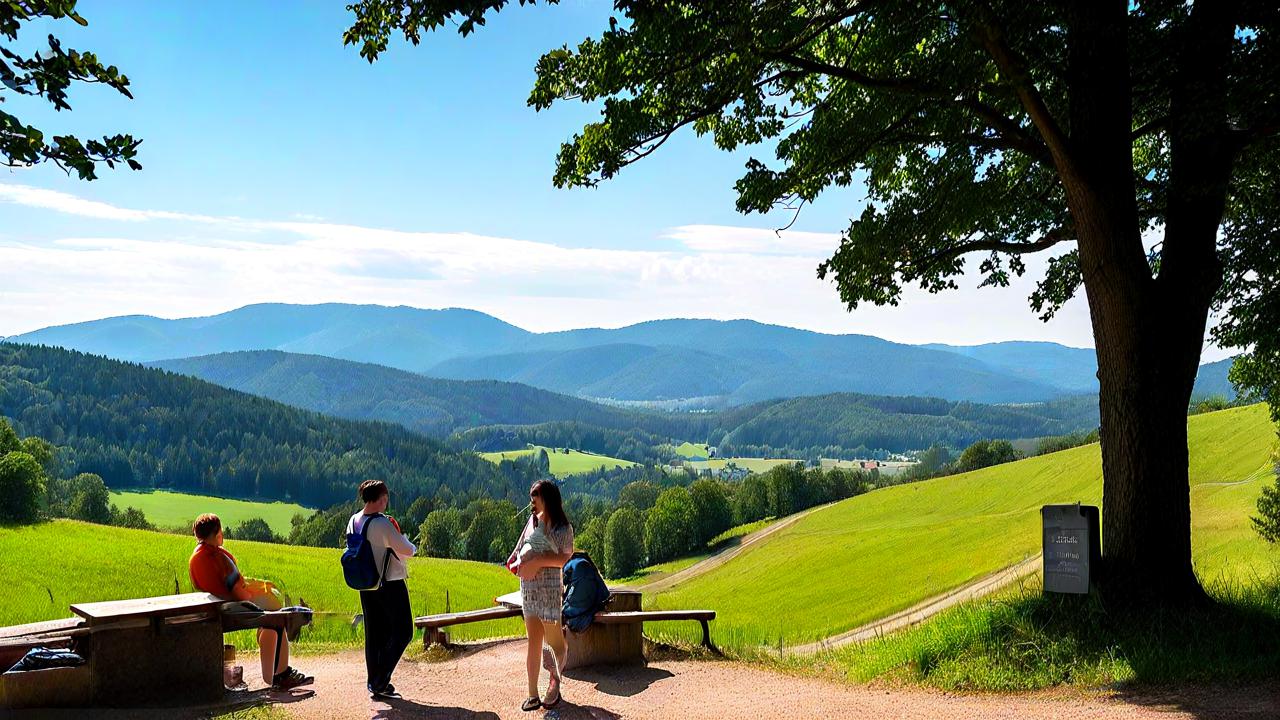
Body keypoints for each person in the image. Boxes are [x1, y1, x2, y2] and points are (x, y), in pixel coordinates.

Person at [188, 513, 313, 690]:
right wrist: (259, 590)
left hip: (215, 607)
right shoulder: (220, 558)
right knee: (277, 617)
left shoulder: (196, 558)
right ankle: (281, 674)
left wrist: (254, 584)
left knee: (272, 615)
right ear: (217, 534)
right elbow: (241, 594)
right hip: (233, 608)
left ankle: (278, 672)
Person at [506, 479, 574, 712]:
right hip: (530, 591)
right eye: (531, 497)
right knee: (533, 643)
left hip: (550, 590)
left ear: (548, 499)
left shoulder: (563, 528)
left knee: (555, 642)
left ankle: (553, 683)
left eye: (535, 497)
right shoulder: (532, 523)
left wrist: (537, 561)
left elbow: (564, 558)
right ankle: (533, 694)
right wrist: (518, 562)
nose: (531, 502)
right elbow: (521, 550)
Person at [347, 479, 416, 700]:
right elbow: (407, 550)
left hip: (366, 584)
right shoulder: (381, 523)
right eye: (386, 498)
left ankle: (375, 681)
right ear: (382, 498)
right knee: (403, 631)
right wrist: (404, 537)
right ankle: (380, 679)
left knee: (375, 634)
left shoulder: (354, 520)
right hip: (389, 583)